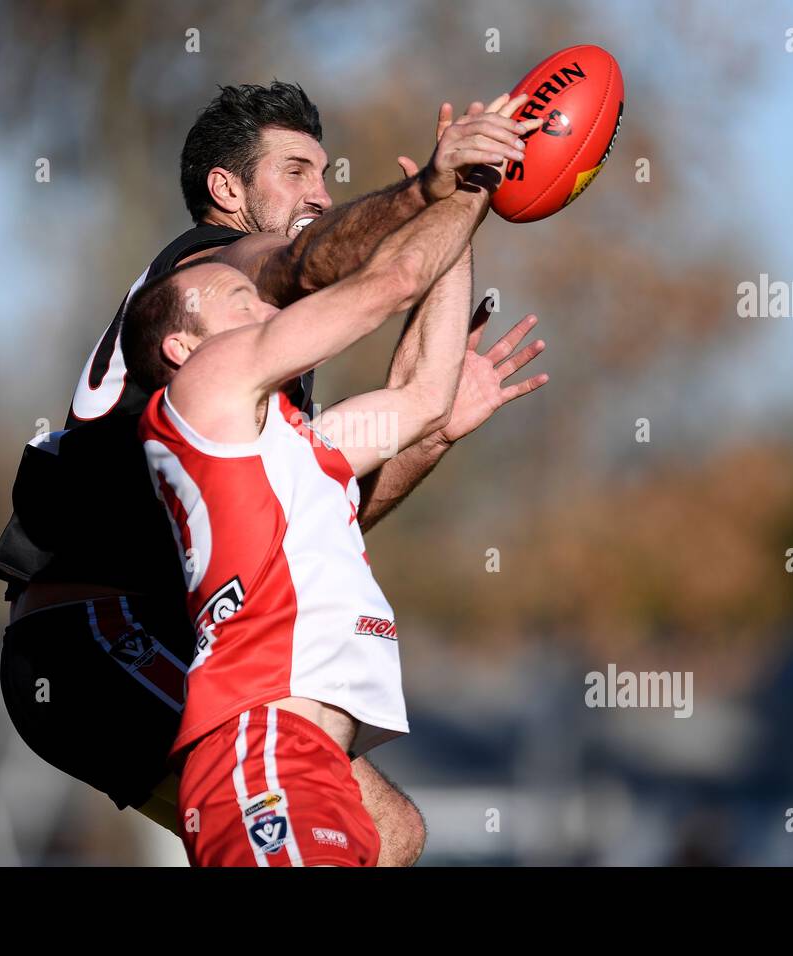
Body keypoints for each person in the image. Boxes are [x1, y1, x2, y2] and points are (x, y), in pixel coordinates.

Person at [0, 83, 547, 864]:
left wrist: (434, 426)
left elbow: (311, 520)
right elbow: (329, 269)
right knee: (268, 780)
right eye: (294, 171)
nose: (320, 193)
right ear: (227, 191)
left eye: (325, 173)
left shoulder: (263, 408)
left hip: (146, 638)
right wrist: (435, 190)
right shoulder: (216, 272)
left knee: (390, 832)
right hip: (95, 635)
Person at [129, 131, 510, 864]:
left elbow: (424, 396)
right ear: (183, 346)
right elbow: (389, 282)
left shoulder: (295, 442)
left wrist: (464, 219)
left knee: (400, 838)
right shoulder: (200, 388)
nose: (267, 310)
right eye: (242, 299)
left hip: (308, 761)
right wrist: (452, 193)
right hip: (264, 750)